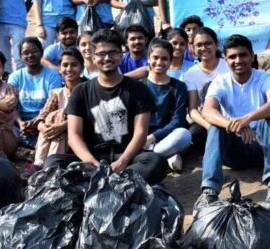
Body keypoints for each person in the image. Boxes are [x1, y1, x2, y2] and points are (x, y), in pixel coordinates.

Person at [66, 29, 168, 184]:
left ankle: (105, 184)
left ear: (121, 55)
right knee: (53, 163)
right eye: (101, 54)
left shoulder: (138, 89)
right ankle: (117, 184)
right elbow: (74, 135)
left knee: (156, 162)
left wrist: (122, 162)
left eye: (113, 53)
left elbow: (141, 133)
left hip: (127, 158)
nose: (107, 58)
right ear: (93, 57)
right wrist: (91, 163)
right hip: (92, 158)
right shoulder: (80, 91)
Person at [198, 34, 270, 206]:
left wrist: (247, 119)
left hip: (261, 146)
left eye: (243, 55)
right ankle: (209, 191)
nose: (238, 60)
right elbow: (207, 111)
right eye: (232, 57)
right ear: (225, 59)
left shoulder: (265, 78)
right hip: (234, 151)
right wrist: (234, 125)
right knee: (215, 127)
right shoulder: (220, 82)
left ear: (252, 56)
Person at [143, 38, 192, 173]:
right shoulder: (139, 86)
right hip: (142, 139)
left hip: (168, 138)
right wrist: (143, 138)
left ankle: (153, 157)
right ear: (148, 59)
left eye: (164, 58)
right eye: (155, 58)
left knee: (184, 134)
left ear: (170, 61)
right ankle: (166, 157)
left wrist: (152, 137)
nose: (159, 62)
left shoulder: (178, 87)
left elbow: (178, 121)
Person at [32, 48, 85, 167]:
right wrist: (44, 128)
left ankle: (48, 164)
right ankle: (42, 161)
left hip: (81, 135)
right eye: (65, 65)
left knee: (60, 115)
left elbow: (89, 116)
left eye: (74, 65)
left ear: (82, 68)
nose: (69, 69)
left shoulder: (87, 89)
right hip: (54, 134)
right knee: (51, 117)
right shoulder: (57, 92)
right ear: (60, 69)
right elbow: (43, 115)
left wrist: (63, 126)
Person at [8, 37, 63, 147]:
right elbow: (11, 105)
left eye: (34, 51)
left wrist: (36, 122)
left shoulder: (53, 76)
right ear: (21, 56)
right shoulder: (15, 76)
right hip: (20, 122)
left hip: (44, 120)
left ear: (41, 52)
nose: (30, 55)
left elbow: (53, 105)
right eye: (26, 53)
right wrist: (20, 123)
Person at [184, 26, 230, 148]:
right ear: (193, 48)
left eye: (208, 43)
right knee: (194, 134)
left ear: (216, 44)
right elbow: (193, 109)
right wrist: (208, 126)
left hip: (230, 118)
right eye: (198, 45)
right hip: (206, 121)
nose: (203, 48)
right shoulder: (191, 73)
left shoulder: (228, 66)